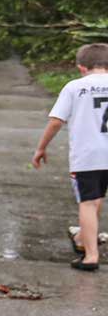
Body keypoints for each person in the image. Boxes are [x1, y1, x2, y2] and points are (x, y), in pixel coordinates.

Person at [33, 43, 108, 271]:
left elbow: (56, 120)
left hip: (88, 155)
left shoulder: (75, 87)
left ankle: (91, 256)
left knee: (88, 202)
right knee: (98, 199)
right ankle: (81, 240)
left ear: (81, 67)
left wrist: (41, 148)